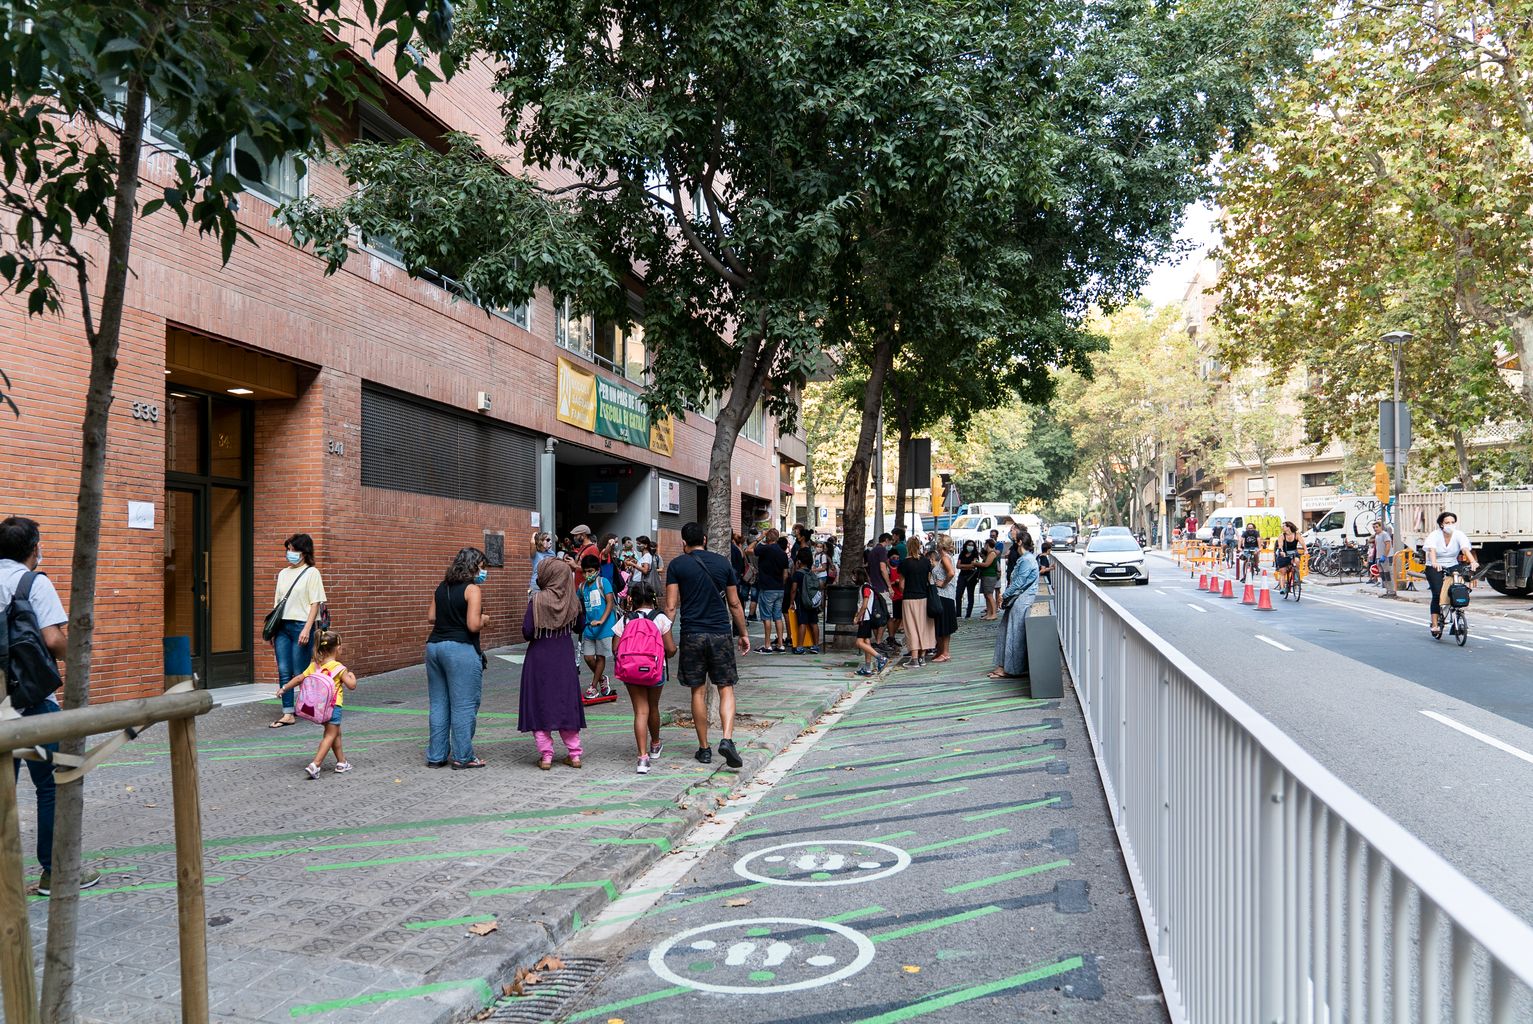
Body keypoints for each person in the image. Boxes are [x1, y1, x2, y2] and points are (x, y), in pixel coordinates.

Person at [0, 516, 101, 895]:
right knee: (55, 784)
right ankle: (55, 871)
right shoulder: (33, 583)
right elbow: (53, 640)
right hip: (30, 700)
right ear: (33, 548)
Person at [665, 521, 751, 767]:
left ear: (684, 543)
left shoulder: (677, 565)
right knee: (725, 687)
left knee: (698, 691)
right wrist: (743, 633)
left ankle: (704, 749)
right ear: (705, 539)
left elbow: (671, 607)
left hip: (692, 634)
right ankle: (727, 738)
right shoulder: (723, 563)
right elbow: (734, 604)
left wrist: (664, 636)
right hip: (720, 634)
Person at [519, 556, 587, 769]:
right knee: (565, 702)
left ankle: (546, 756)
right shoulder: (572, 600)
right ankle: (574, 754)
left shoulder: (537, 601)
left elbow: (527, 632)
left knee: (541, 703)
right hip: (563, 658)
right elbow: (580, 627)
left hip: (540, 658)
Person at [425, 546, 490, 769]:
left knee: (439, 704)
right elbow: (473, 625)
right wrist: (485, 619)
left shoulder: (442, 587)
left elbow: (431, 617)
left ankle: (436, 756)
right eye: (482, 567)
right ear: (473, 566)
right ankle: (463, 757)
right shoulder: (472, 590)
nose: (484, 571)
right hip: (460, 649)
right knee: (463, 705)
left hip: (434, 647)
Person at [611, 581, 674, 774]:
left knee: (640, 711)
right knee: (653, 707)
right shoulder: (660, 618)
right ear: (654, 598)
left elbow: (615, 648)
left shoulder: (626, 620)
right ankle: (655, 745)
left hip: (631, 671)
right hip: (655, 670)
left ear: (631, 599)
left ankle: (642, 759)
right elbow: (670, 649)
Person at [279, 629, 358, 780]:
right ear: (338, 648)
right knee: (330, 735)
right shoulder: (339, 668)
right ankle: (315, 764)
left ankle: (342, 762)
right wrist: (352, 676)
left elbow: (298, 679)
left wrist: (284, 688)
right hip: (334, 707)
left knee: (336, 733)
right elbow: (351, 685)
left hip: (319, 708)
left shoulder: (314, 665)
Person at [268, 533, 328, 729]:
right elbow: (277, 604)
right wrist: (273, 629)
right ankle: (288, 713)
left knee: (299, 670)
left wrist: (307, 628)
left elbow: (315, 603)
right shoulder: (283, 573)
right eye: (288, 549)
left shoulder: (312, 573)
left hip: (302, 626)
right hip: (283, 627)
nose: (289, 553)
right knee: (284, 669)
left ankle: (312, 705)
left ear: (304, 552)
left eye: (293, 549)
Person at [989, 532, 1039, 679]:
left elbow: (1018, 582)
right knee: (1007, 632)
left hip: (1022, 601)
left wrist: (1003, 595)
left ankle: (1010, 669)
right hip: (1020, 600)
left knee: (1013, 635)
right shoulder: (1027, 559)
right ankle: (1002, 666)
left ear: (1019, 543)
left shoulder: (1026, 560)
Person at [1424, 511, 1478, 638]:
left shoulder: (1459, 534)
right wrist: (1434, 562)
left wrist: (1473, 561)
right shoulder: (1434, 535)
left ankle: (1457, 613)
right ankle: (1435, 623)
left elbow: (1465, 549)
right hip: (1435, 565)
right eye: (1447, 522)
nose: (1450, 525)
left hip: (1452, 565)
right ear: (1441, 524)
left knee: (1459, 589)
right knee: (1437, 594)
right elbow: (1432, 550)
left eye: (1453, 522)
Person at [578, 554, 618, 699]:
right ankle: (602, 679)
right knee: (588, 657)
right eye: (584, 571)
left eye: (590, 571)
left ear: (597, 570)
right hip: (590, 628)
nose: (587, 574)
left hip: (605, 627)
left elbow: (609, 603)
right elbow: (577, 603)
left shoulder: (603, 582)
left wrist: (601, 620)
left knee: (600, 657)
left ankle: (593, 686)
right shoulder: (582, 587)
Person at [753, 528, 790, 653]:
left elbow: (748, 550)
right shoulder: (783, 553)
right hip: (779, 588)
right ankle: (780, 644)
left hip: (767, 588)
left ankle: (767, 645)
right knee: (778, 616)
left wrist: (760, 537)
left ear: (768, 538)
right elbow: (785, 574)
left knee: (766, 617)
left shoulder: (765, 549)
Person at [898, 537, 933, 666]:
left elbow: (902, 584)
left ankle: (914, 658)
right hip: (923, 597)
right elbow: (928, 579)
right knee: (923, 627)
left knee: (911, 627)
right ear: (919, 546)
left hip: (909, 598)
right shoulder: (926, 562)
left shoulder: (904, 563)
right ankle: (922, 657)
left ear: (908, 547)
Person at [851, 567, 890, 677]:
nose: (853, 578)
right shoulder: (865, 587)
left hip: (865, 619)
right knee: (866, 642)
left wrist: (857, 618)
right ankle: (867, 668)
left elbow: (864, 605)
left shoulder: (865, 588)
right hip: (866, 619)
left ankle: (881, 658)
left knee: (859, 643)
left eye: (854, 575)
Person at [929, 534, 959, 663]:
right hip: (944, 595)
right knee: (941, 624)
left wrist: (944, 583)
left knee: (944, 624)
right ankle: (941, 651)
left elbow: (951, 573)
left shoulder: (945, 558)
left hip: (944, 595)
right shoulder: (946, 558)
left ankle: (945, 652)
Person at [786, 547, 822, 654]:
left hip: (802, 602)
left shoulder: (798, 574)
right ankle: (815, 646)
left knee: (802, 623)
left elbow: (793, 589)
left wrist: (791, 602)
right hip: (812, 602)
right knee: (814, 623)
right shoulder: (812, 573)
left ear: (799, 561)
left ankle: (799, 647)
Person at [1273, 522, 1304, 592]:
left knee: (1296, 560)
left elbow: (1302, 543)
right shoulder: (1282, 536)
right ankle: (1282, 588)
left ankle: (1296, 576)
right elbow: (1280, 545)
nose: (1282, 527)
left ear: (1289, 527)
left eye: (1284, 526)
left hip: (1293, 553)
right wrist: (1281, 551)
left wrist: (1305, 550)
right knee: (1282, 572)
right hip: (1284, 554)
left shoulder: (1297, 535)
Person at [956, 540, 981, 618]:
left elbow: (974, 565)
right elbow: (958, 566)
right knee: (958, 594)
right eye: (969, 545)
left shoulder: (975, 555)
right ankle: (958, 613)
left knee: (970, 595)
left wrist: (963, 566)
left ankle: (968, 614)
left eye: (972, 545)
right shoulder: (962, 554)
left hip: (971, 577)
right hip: (962, 575)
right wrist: (968, 566)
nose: (970, 546)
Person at [978, 538, 1002, 619]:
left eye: (985, 544)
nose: (984, 546)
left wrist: (976, 563)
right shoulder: (988, 553)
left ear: (987, 544)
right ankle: (989, 613)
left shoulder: (992, 553)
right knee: (986, 595)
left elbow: (986, 564)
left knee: (989, 595)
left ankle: (994, 613)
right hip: (986, 575)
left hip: (990, 576)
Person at [1369, 519, 1393, 586]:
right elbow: (1377, 547)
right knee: (1381, 573)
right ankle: (1385, 586)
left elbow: (1388, 545)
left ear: (1380, 527)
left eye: (1377, 527)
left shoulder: (1384, 534)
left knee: (1387, 572)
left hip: (1386, 557)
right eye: (1374, 527)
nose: (1375, 529)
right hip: (1378, 557)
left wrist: (1384, 555)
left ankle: (1390, 588)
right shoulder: (1377, 536)